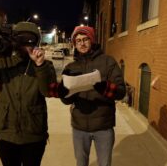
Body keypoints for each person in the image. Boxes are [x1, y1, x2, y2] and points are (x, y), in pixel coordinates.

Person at [0, 21, 57, 166]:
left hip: (34, 134)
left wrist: (40, 65)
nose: (26, 44)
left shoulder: (45, 65)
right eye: (21, 39)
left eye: (30, 39)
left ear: (36, 41)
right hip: (7, 133)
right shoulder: (6, 62)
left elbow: (48, 92)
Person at [52, 26, 126, 166]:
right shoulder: (71, 67)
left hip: (103, 126)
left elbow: (121, 92)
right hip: (79, 127)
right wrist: (63, 94)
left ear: (91, 40)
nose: (82, 43)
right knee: (81, 163)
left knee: (104, 164)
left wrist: (105, 88)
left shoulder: (107, 61)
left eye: (85, 39)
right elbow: (67, 100)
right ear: (74, 44)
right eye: (78, 40)